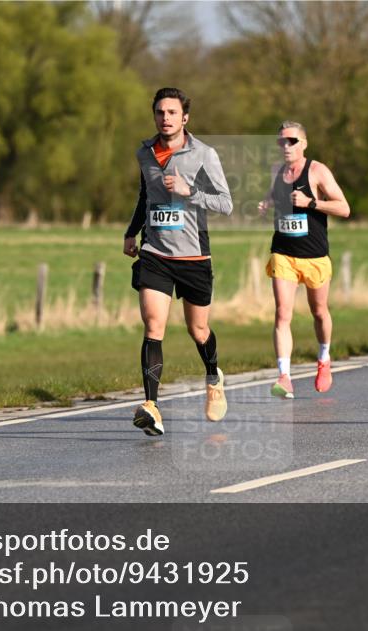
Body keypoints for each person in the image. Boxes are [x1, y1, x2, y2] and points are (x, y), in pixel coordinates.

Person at [123, 88, 233, 435]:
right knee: (154, 326)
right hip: (155, 252)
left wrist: (190, 192)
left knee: (198, 330)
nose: (165, 117)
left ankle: (213, 376)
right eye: (160, 112)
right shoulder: (145, 152)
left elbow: (225, 203)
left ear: (184, 118)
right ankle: (151, 406)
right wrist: (132, 231)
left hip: (194, 255)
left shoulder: (204, 154)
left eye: (172, 112)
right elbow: (146, 196)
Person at [258, 121, 351, 399]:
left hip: (314, 256)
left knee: (319, 311)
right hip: (283, 253)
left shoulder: (318, 171)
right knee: (282, 313)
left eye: (292, 141)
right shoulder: (276, 171)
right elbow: (273, 195)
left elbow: (344, 208)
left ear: (304, 144)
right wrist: (267, 204)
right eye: (281, 142)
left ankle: (324, 358)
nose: (286, 147)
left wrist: (311, 203)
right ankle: (284, 376)